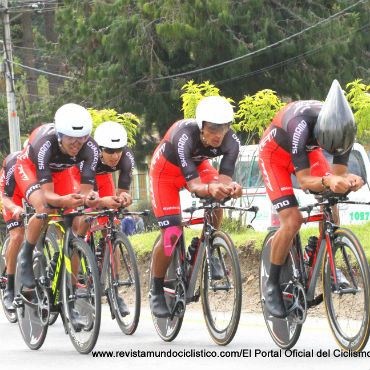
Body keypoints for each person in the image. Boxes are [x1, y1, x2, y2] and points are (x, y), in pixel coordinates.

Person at [258, 80, 364, 318]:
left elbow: (337, 178)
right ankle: (272, 284)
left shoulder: (345, 130)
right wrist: (328, 180)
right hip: (275, 155)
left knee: (332, 200)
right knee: (292, 220)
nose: (335, 151)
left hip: (308, 151)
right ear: (320, 133)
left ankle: (327, 254)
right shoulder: (300, 126)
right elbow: (305, 182)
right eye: (330, 147)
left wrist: (349, 180)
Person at [149, 96, 243, 318]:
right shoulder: (183, 136)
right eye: (212, 129)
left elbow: (224, 179)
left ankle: (206, 247)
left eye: (223, 128)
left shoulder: (232, 142)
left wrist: (231, 187)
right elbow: (194, 186)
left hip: (198, 166)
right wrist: (211, 187)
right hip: (165, 174)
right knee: (171, 233)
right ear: (201, 127)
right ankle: (156, 289)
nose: (218, 134)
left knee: (219, 194)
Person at [14, 103, 100, 329]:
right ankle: (26, 254)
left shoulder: (91, 148)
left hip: (60, 172)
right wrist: (64, 201)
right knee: (44, 208)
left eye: (82, 138)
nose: (77, 144)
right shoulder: (45, 144)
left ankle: (68, 300)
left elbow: (85, 191)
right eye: (71, 138)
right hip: (30, 168)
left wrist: (86, 199)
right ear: (59, 135)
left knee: (78, 218)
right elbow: (50, 195)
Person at [74, 120, 134, 316]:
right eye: (109, 151)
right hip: (81, 178)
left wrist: (124, 198)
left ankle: (114, 290)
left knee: (112, 228)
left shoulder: (126, 158)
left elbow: (124, 190)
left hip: (104, 179)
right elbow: (89, 197)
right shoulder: (88, 154)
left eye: (119, 150)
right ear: (99, 149)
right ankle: (77, 278)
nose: (115, 155)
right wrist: (99, 202)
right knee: (85, 219)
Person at [0, 151, 25, 311]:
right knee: (17, 235)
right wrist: (15, 208)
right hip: (11, 195)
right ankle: (9, 288)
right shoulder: (13, 163)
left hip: (32, 191)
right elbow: (5, 196)